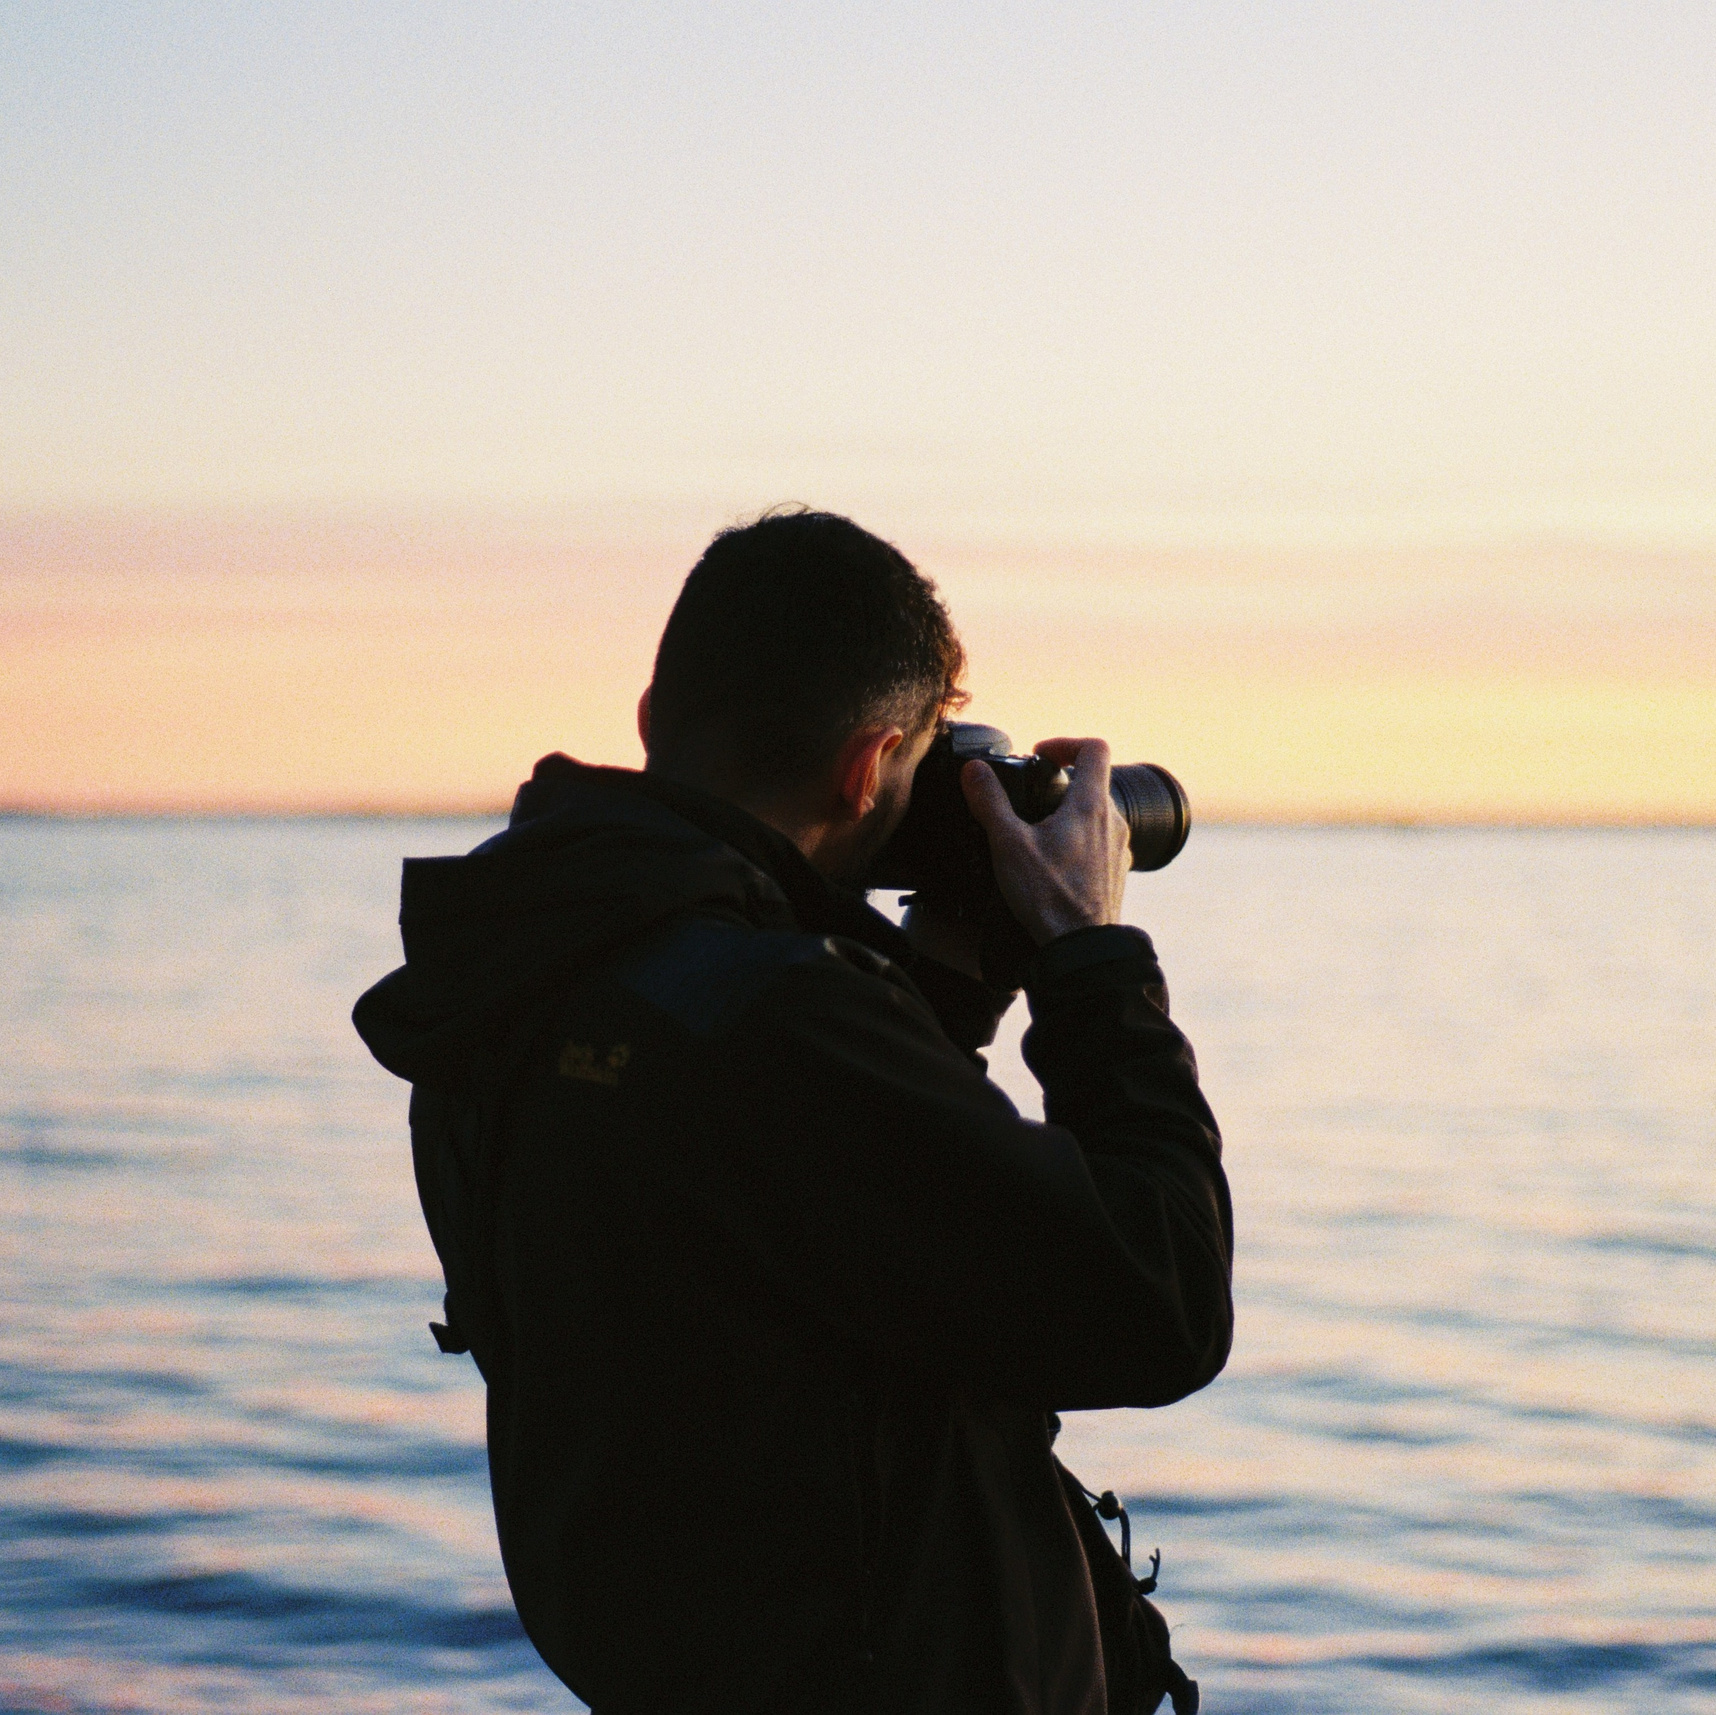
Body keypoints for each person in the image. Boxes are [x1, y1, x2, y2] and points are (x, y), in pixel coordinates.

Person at [353, 510, 1233, 1715]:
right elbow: (1161, 1295)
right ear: (870, 766)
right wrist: (1091, 956)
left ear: (655, 720)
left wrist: (942, 987)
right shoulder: (777, 1026)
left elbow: (784, 1244)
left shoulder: (530, 973)